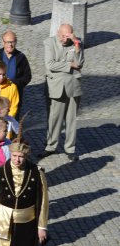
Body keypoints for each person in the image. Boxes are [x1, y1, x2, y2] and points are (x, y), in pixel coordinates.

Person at [40, 23, 84, 161]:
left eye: (68, 36)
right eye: (63, 36)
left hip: (73, 86)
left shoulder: (75, 43)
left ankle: (70, 148)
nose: (65, 39)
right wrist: (69, 65)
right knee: (54, 118)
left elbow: (80, 63)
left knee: (71, 119)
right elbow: (50, 64)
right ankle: (50, 146)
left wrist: (76, 44)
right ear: (58, 32)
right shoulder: (49, 43)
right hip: (55, 85)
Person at [0, 30, 32, 117]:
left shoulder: (21, 57)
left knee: (12, 121)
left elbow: (27, 76)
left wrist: (14, 84)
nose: (10, 45)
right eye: (8, 42)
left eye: (12, 42)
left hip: (13, 96)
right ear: (3, 43)